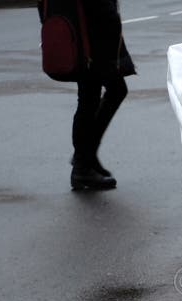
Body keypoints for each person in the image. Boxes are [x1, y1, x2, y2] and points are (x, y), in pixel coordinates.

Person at [39, 0, 136, 190]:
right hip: (93, 43)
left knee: (92, 96)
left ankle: (85, 158)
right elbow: (105, 12)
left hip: (79, 38)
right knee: (99, 96)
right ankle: (83, 164)